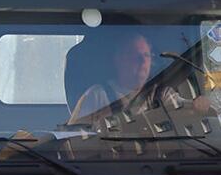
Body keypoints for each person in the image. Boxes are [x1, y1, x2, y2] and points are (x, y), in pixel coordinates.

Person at [68, 33, 207, 126]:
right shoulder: (97, 95)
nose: (142, 61)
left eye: (146, 55)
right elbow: (76, 134)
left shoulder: (161, 94)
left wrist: (198, 105)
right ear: (119, 60)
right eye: (134, 55)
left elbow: (185, 109)